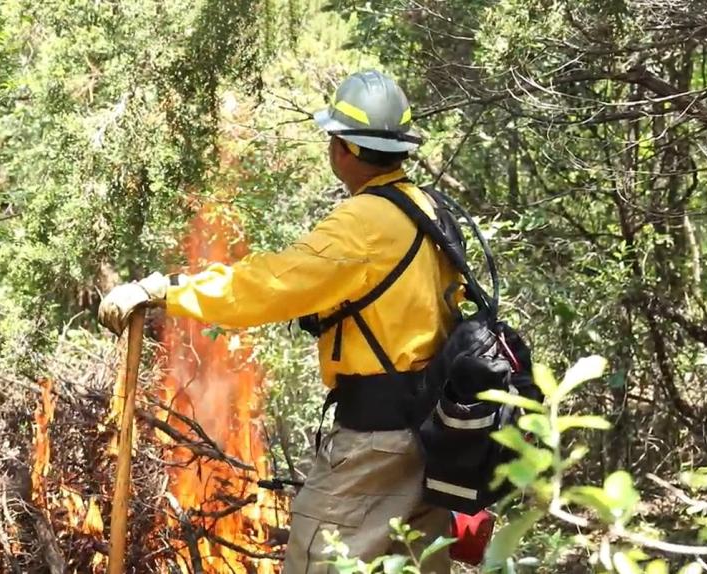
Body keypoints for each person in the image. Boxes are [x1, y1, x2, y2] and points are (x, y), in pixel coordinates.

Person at [98, 70, 457, 573]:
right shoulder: (430, 209)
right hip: (433, 435)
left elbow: (267, 286)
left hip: (377, 444)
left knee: (317, 561)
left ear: (344, 149)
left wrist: (168, 290)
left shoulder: (364, 224)